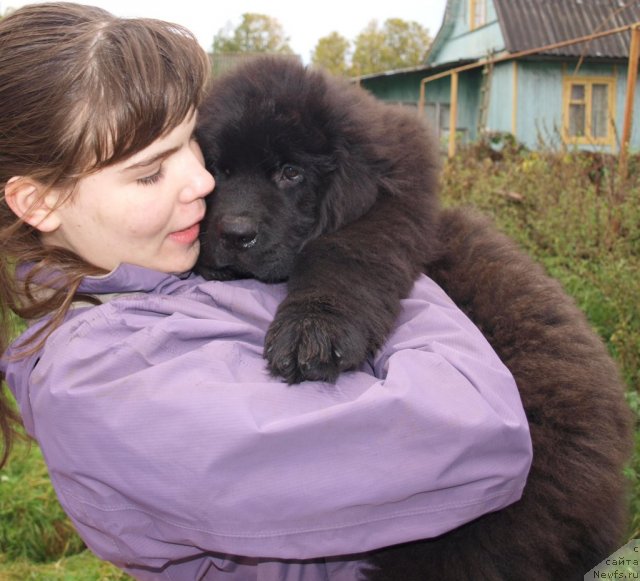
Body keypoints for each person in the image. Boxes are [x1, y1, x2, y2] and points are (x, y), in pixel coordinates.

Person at [0, 3, 532, 580]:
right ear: (39, 203)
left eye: (192, 148)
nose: (203, 184)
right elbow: (483, 435)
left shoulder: (160, 272)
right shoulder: (101, 381)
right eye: (151, 172)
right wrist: (380, 259)